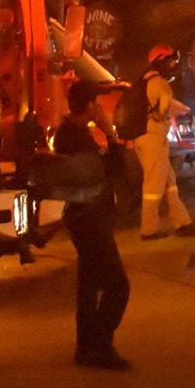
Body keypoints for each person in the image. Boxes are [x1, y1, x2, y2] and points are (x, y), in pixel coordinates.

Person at [54, 79, 132, 369]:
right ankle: (100, 346)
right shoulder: (75, 139)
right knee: (118, 287)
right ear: (88, 106)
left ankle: (85, 348)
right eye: (96, 104)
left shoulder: (70, 134)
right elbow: (112, 170)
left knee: (88, 287)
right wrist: (109, 133)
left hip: (83, 217)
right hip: (89, 220)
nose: (99, 109)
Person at [130, 46, 195, 241]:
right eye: (171, 61)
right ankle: (148, 229)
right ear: (161, 61)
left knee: (170, 183)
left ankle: (182, 223)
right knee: (154, 186)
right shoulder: (159, 84)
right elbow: (162, 111)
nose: (173, 66)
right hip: (153, 139)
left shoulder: (146, 81)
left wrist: (181, 110)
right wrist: (179, 116)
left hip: (147, 139)